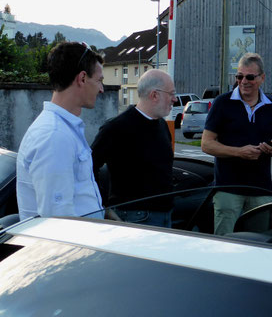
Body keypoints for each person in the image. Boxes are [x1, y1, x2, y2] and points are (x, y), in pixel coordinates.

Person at [17, 42, 105, 220]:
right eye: (99, 80)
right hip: (75, 239)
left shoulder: (62, 129)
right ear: (82, 78)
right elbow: (58, 221)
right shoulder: (54, 136)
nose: (101, 89)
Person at [201, 53, 272, 235]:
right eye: (239, 76)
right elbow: (206, 144)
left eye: (250, 77)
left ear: (262, 78)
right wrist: (239, 152)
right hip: (228, 188)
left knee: (257, 243)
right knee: (224, 242)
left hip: (260, 189)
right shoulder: (222, 103)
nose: (243, 81)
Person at [91, 69, 177, 227]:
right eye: (171, 94)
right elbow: (89, 167)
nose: (175, 99)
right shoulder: (116, 128)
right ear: (154, 95)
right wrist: (104, 206)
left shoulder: (162, 125)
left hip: (166, 214)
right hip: (135, 218)